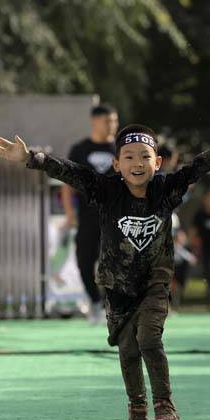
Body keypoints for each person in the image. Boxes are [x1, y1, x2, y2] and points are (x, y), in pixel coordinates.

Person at [0, 107, 210, 420]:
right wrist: (31, 157)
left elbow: (200, 165)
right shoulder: (106, 191)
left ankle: (164, 403)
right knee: (128, 351)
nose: (137, 163)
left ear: (158, 163)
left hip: (154, 282)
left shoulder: (167, 189)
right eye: (129, 157)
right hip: (117, 286)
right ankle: (137, 411)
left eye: (145, 156)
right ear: (116, 164)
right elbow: (71, 171)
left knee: (149, 336)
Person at [63, 103, 119, 324]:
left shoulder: (121, 148)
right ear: (94, 121)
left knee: (114, 263)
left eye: (114, 121)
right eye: (108, 120)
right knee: (84, 262)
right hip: (87, 217)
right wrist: (69, 213)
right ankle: (95, 302)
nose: (112, 125)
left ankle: (113, 307)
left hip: (116, 217)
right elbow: (67, 183)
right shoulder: (80, 150)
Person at [171, 228, 196, 310]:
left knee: (179, 288)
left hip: (181, 270)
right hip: (172, 270)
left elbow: (191, 258)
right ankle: (170, 305)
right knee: (172, 287)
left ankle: (176, 305)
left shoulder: (186, 247)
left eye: (183, 237)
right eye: (179, 237)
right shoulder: (171, 246)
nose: (182, 239)